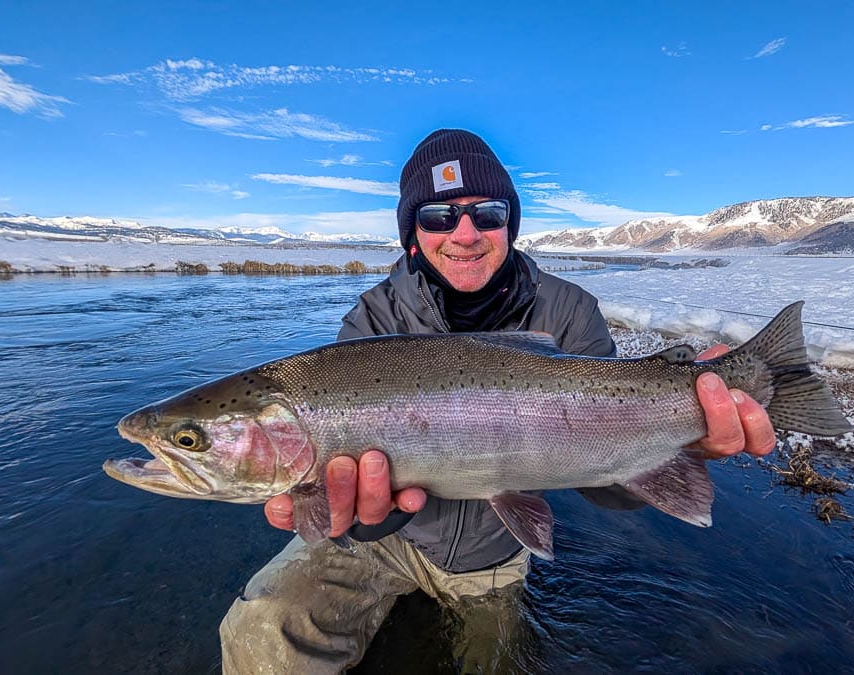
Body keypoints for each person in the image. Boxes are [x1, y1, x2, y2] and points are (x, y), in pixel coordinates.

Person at [219, 129, 776, 674]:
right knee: (261, 631)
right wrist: (362, 521)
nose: (465, 234)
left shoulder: (569, 312)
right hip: (382, 544)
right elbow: (342, 498)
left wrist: (680, 439)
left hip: (494, 553)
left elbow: (605, 487)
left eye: (487, 213)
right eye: (439, 216)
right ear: (412, 233)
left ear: (509, 223)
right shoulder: (372, 320)